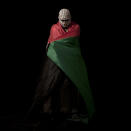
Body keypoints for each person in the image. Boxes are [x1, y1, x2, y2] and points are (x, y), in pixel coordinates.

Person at [26, 8, 95, 125]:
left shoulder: (76, 27)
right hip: (55, 61)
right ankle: (47, 111)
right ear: (58, 19)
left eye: (67, 20)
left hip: (72, 61)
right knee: (50, 83)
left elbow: (71, 44)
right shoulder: (54, 27)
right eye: (62, 20)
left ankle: (71, 111)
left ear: (71, 19)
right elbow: (55, 45)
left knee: (71, 84)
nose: (64, 22)